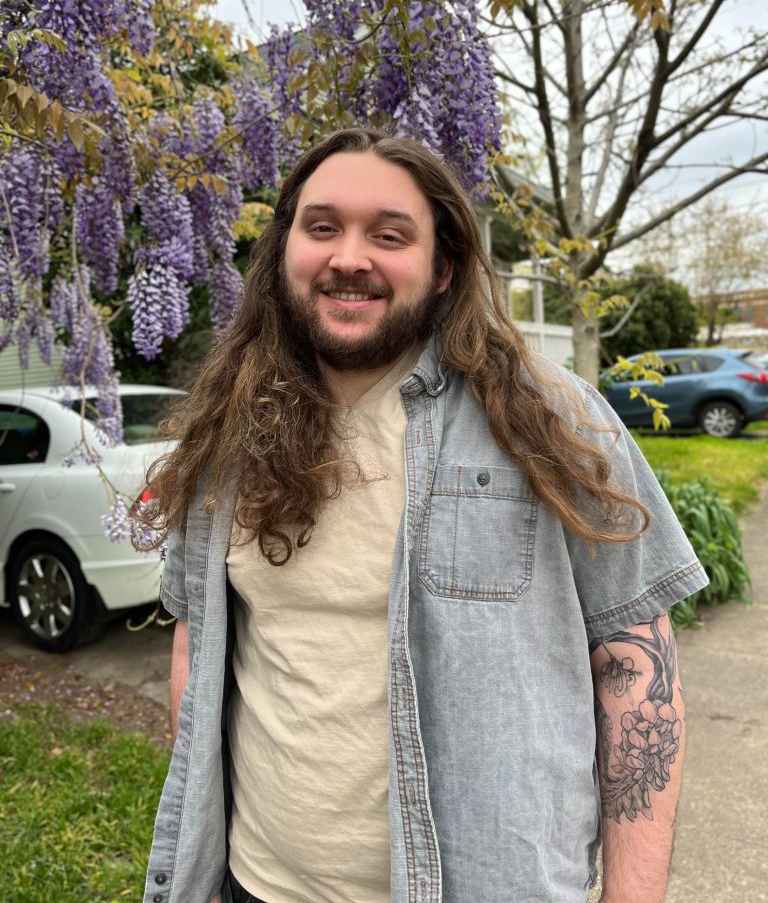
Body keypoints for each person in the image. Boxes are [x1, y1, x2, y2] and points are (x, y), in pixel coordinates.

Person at [143, 128, 708, 903]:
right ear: (283, 255)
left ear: (443, 268)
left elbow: (636, 671)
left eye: (388, 234)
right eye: (321, 227)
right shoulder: (230, 432)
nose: (349, 257)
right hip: (256, 886)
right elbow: (196, 642)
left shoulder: (550, 419)